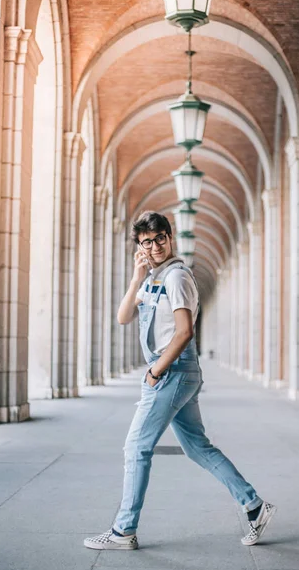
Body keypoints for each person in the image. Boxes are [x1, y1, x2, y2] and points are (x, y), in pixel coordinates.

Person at [84, 211, 276, 551]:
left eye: (160, 238)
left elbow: (185, 331)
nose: (155, 245)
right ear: (139, 247)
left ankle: (123, 531)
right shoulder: (152, 279)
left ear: (170, 238)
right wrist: (135, 276)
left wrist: (156, 371)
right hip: (176, 372)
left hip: (171, 371)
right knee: (198, 447)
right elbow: (123, 316)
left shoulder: (176, 277)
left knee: (136, 447)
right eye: (147, 241)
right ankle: (255, 506)